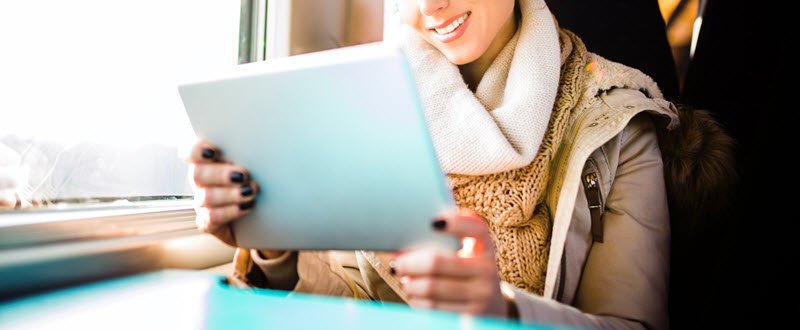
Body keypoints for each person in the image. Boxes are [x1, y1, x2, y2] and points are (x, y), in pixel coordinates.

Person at [187, 0, 733, 328]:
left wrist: (503, 313)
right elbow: (358, 297)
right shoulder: (365, 103)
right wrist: (274, 247)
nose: (432, 6)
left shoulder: (616, 120)